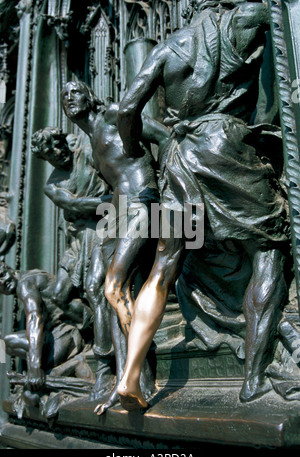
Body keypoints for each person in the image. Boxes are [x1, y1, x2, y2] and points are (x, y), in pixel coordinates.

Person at [116, 0, 290, 410]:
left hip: (177, 158)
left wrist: (133, 146)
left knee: (162, 267)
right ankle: (253, 381)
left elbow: (126, 110)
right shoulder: (246, 19)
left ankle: (130, 376)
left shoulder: (167, 48)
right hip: (224, 147)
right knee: (268, 247)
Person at [61, 80, 170, 414]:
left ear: (90, 96)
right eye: (64, 97)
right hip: (119, 213)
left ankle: (132, 378)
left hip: (143, 202)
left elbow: (163, 137)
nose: (68, 99)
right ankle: (130, 380)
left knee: (113, 287)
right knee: (108, 297)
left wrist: (169, 194)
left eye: (74, 92)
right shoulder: (90, 141)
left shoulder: (112, 115)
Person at [31, 127, 115, 401]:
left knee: (95, 288)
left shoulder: (86, 152)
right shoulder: (51, 185)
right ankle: (92, 327)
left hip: (101, 229)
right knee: (59, 295)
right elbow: (76, 206)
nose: (58, 152)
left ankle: (106, 353)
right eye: (50, 152)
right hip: (79, 238)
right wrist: (109, 201)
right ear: (44, 157)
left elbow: (111, 175)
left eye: (58, 144)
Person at [0, 261, 94, 394]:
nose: (2, 282)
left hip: (66, 336)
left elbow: (35, 318)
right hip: (68, 332)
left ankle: (45, 372)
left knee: (5, 342)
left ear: (9, 268)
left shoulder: (24, 284)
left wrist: (34, 366)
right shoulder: (32, 275)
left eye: (2, 275)